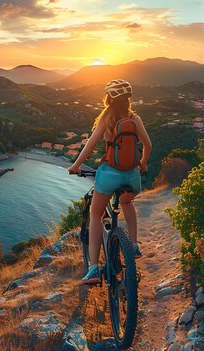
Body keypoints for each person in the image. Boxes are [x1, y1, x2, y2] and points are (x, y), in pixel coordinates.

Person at [67, 79, 153, 285]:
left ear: (109, 99)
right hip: (132, 177)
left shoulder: (107, 118)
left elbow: (89, 146)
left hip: (109, 176)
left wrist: (75, 166)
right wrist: (142, 163)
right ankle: (133, 246)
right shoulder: (135, 118)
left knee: (95, 214)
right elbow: (148, 145)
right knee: (126, 202)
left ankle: (94, 268)